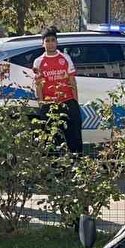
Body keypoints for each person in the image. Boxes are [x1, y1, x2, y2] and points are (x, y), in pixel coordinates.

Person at [32, 26, 83, 154]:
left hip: (67, 101)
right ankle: (55, 169)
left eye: (53, 40)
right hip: (50, 105)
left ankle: (76, 164)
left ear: (57, 42)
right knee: (52, 139)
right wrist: (41, 104)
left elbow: (72, 81)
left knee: (74, 138)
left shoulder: (65, 58)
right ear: (42, 43)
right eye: (47, 41)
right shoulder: (38, 62)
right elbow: (39, 85)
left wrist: (75, 102)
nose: (50, 43)